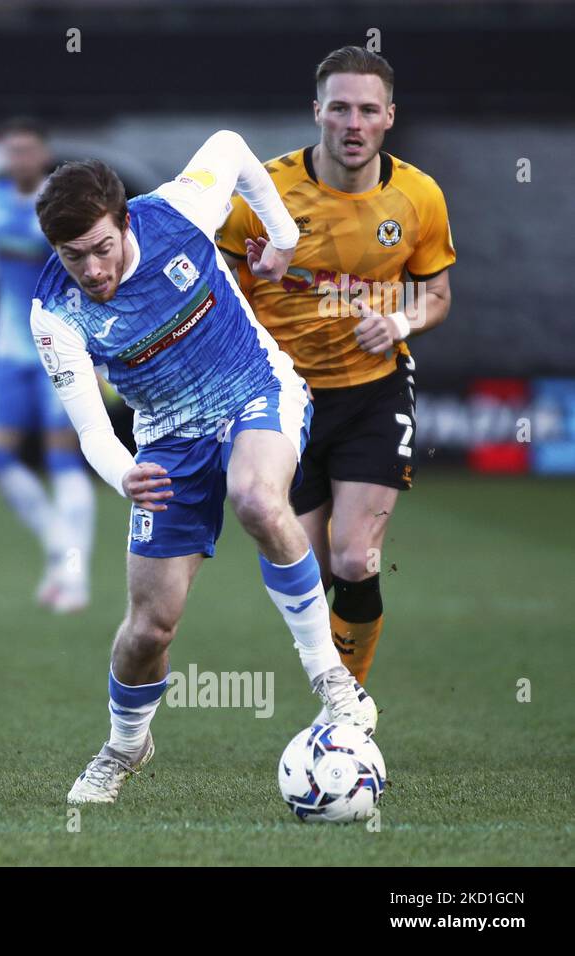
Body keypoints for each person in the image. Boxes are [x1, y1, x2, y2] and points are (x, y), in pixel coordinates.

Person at [29, 130, 376, 805]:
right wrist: (122, 473)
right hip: (166, 439)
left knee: (256, 496)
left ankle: (330, 678)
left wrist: (279, 233)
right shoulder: (53, 315)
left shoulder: (178, 211)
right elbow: (91, 426)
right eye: (74, 258)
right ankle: (126, 745)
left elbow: (230, 146)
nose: (93, 270)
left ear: (124, 222)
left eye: (102, 249)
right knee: (148, 629)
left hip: (255, 387)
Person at [216, 48, 454, 716]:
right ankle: (336, 691)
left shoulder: (418, 197)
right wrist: (252, 282)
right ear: (317, 111)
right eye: (341, 107)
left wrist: (402, 324)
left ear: (389, 118)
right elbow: (216, 296)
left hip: (372, 391)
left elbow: (436, 295)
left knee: (355, 560)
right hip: (283, 401)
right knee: (313, 570)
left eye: (368, 110)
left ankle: (347, 713)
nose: (354, 122)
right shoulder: (262, 194)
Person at [0, 119, 95, 612]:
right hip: (7, 352)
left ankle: (72, 578)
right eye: (11, 151)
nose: (19, 160)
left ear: (44, 153)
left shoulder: (64, 203)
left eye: (28, 150)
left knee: (63, 459)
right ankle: (59, 542)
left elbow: (90, 273)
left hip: (60, 349)